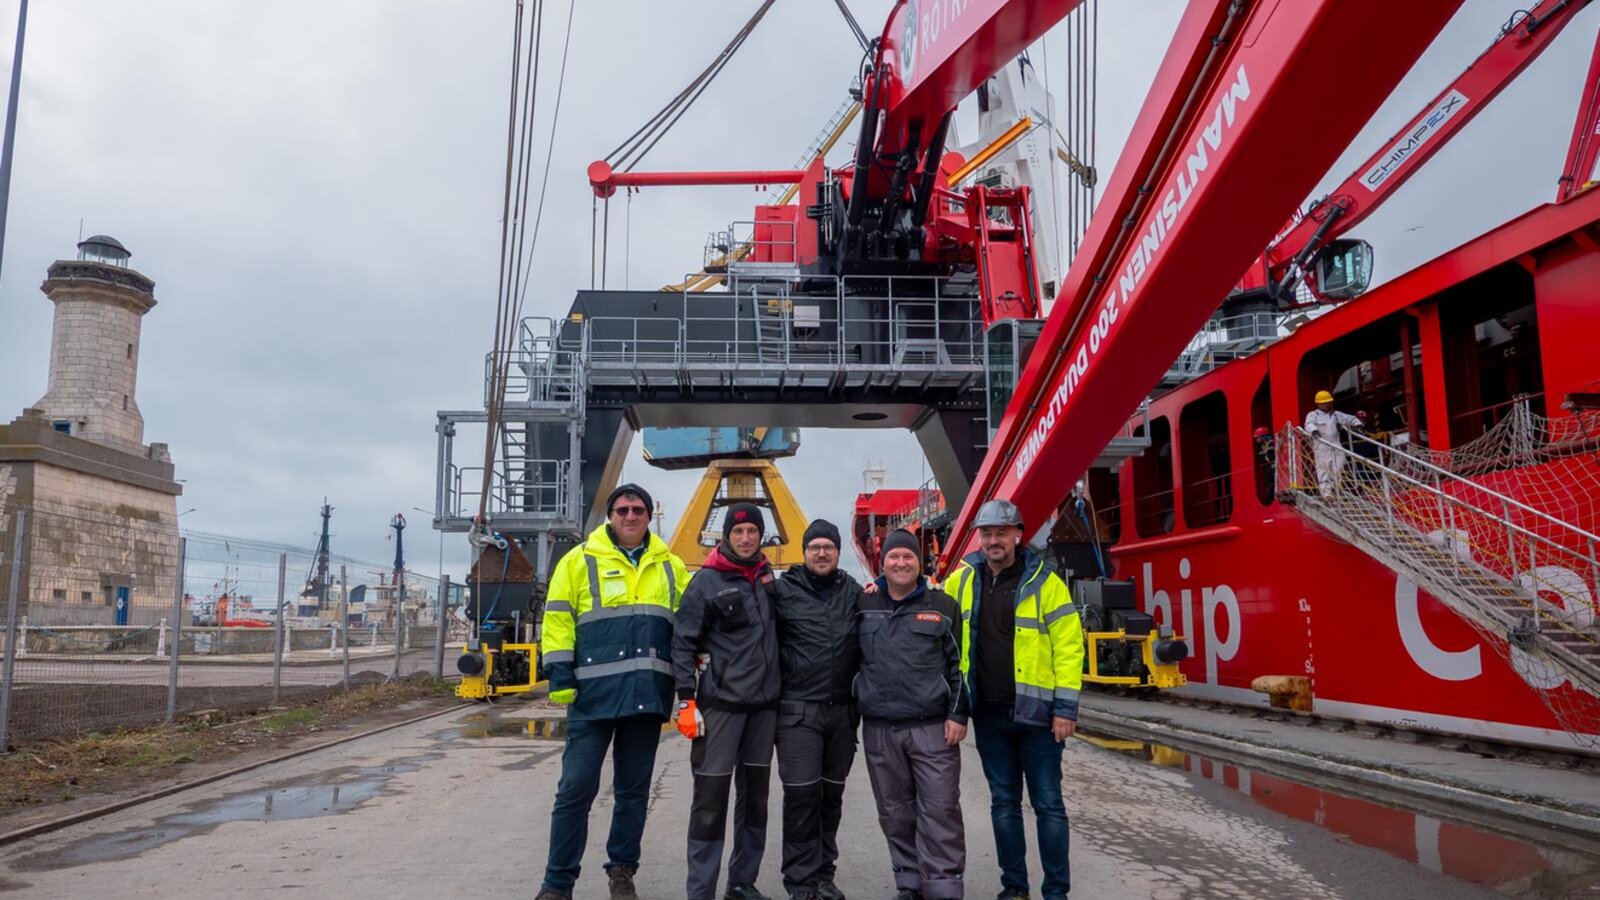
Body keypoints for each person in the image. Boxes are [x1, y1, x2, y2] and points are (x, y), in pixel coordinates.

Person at [536, 484, 689, 900]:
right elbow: (557, 620)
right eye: (623, 509)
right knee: (574, 791)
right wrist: (561, 677)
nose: (630, 516)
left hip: (646, 697)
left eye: (638, 509)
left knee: (632, 794)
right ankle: (557, 884)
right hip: (591, 698)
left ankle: (622, 871)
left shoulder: (671, 567)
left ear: (649, 515)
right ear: (611, 515)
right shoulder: (579, 560)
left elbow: (691, 626)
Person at [945, 499, 1084, 900]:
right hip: (989, 716)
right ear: (979, 538)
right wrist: (880, 587)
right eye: (987, 533)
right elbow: (928, 603)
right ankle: (1015, 887)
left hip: (1040, 718)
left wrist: (1065, 709)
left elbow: (1069, 648)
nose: (994, 541)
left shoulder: (1046, 583)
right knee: (1004, 804)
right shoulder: (962, 580)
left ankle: (1056, 892)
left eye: (1002, 533)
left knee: (1048, 805)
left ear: (1018, 535)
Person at [673, 503, 783, 900]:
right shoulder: (706, 581)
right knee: (710, 802)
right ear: (726, 536)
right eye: (738, 532)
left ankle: (742, 882)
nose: (746, 538)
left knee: (755, 801)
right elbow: (682, 642)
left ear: (760, 535)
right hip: (720, 708)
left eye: (752, 531)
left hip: (763, 709)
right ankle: (700, 891)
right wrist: (686, 700)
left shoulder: (768, 578)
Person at [857, 528, 968, 900]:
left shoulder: (943, 606)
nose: (901, 563)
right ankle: (909, 884)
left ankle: (943, 887)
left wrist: (958, 715)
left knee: (940, 808)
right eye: (894, 556)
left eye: (908, 556)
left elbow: (960, 665)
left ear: (919, 563)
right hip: (880, 727)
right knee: (895, 812)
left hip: (932, 726)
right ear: (882, 563)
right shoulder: (863, 604)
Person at [773, 519, 864, 900]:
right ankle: (800, 880)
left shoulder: (854, 591)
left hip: (842, 713)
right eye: (815, 547)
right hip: (798, 712)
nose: (822, 553)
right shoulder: (781, 591)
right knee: (801, 797)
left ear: (838, 552)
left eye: (828, 547)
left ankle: (824, 874)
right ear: (804, 552)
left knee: (831, 798)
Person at [1304, 390, 1363, 497]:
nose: (1326, 405)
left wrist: (1358, 424)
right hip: (1321, 446)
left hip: (1336, 444)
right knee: (1324, 470)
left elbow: (1350, 419)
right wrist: (1314, 431)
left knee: (1339, 467)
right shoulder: (1313, 415)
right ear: (1318, 403)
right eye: (1323, 403)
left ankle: (1336, 490)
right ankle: (1326, 494)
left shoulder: (1336, 415)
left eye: (1328, 402)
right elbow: (1308, 424)